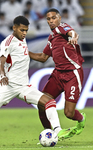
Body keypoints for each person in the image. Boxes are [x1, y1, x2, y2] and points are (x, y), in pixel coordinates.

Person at [29, 8, 86, 136]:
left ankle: (81, 119)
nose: (51, 21)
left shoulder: (62, 28)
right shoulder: (52, 38)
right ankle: (49, 133)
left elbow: (73, 33)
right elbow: (43, 58)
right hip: (58, 74)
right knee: (42, 103)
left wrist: (74, 38)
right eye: (48, 19)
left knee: (69, 113)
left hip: (72, 74)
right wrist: (25, 52)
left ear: (59, 18)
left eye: (53, 17)